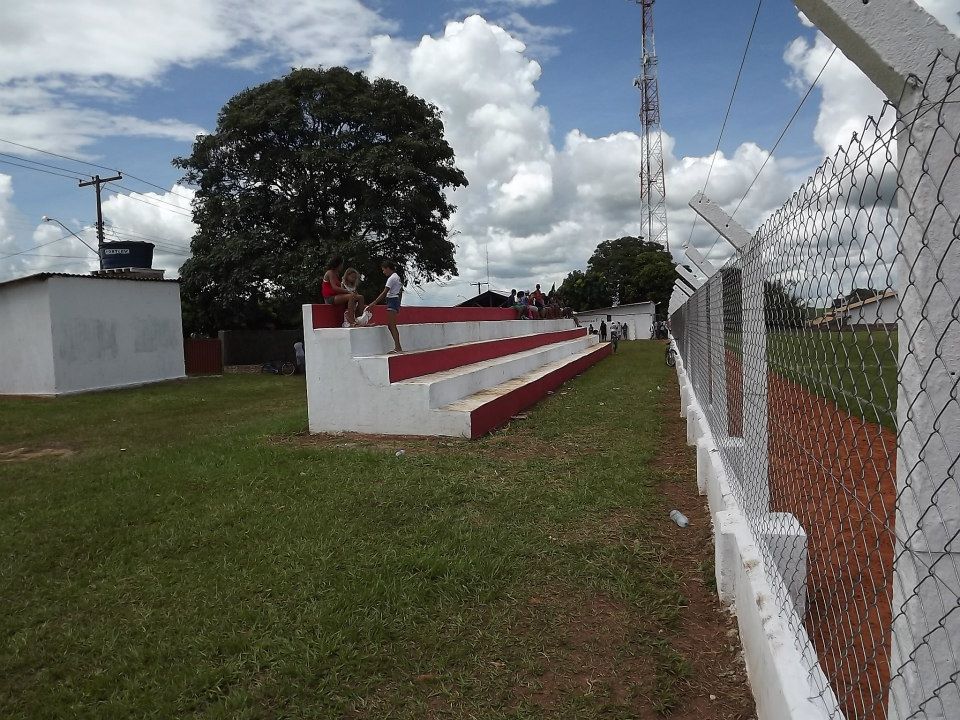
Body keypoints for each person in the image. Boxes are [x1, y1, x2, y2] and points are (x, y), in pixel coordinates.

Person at [371, 260, 403, 353]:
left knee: (392, 325)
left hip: (392, 300)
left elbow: (385, 292)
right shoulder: (396, 277)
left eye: (384, 270)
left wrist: (375, 302)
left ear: (388, 268)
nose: (383, 272)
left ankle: (398, 347)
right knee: (391, 325)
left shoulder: (392, 278)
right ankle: (397, 347)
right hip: (394, 300)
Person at [322, 256, 363, 326]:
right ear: (338, 264)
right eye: (341, 264)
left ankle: (359, 317)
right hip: (329, 298)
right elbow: (334, 287)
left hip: (336, 296)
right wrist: (348, 291)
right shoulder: (330, 273)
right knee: (351, 296)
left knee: (360, 297)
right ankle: (351, 319)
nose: (342, 266)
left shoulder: (336, 274)